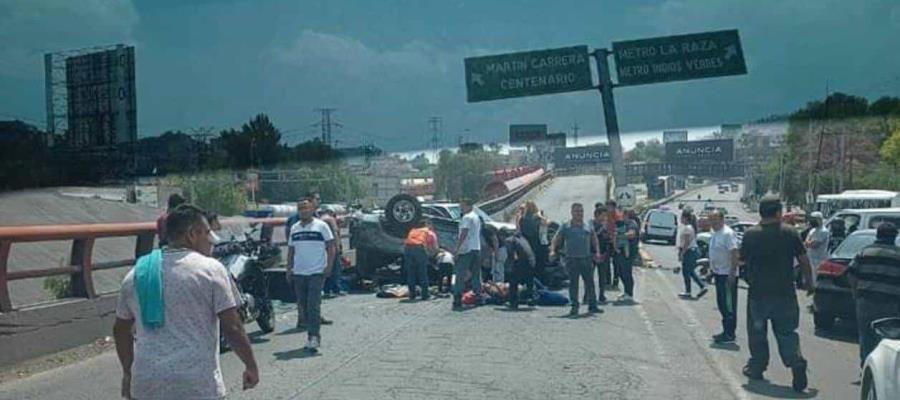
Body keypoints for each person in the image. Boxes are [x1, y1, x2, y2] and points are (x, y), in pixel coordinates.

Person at [114, 204, 259, 399]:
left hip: (147, 384)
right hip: (197, 385)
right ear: (192, 235)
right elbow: (232, 327)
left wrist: (127, 374)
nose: (211, 242)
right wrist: (250, 365)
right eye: (207, 234)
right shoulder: (211, 270)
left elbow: (120, 330)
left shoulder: (136, 275)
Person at [739, 195, 812, 392]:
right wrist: (809, 283)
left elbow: (741, 262)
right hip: (785, 295)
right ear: (778, 212)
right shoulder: (790, 233)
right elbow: (804, 260)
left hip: (758, 295)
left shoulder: (750, 235)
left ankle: (757, 367)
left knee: (757, 333)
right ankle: (796, 363)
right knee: (787, 333)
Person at [286, 197, 336, 351]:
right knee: (304, 305)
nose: (304, 211)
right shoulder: (295, 228)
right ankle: (310, 333)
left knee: (313, 305)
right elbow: (291, 250)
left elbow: (331, 247)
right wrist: (289, 269)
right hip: (299, 272)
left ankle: (314, 337)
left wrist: (329, 267)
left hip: (316, 272)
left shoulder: (321, 226)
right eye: (301, 208)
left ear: (312, 209)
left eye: (306, 207)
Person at [847, 222, 900, 367]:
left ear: (878, 235)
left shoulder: (865, 252)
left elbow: (851, 273)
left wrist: (855, 292)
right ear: (894, 237)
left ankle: (867, 367)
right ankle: (884, 368)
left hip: (866, 302)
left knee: (866, 336)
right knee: (888, 338)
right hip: (891, 304)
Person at [551, 202, 603, 316]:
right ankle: (574, 306)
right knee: (573, 284)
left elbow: (594, 238)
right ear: (572, 212)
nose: (579, 213)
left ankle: (592, 305)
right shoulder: (566, 226)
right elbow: (557, 239)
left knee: (589, 283)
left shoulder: (587, 225)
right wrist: (553, 250)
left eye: (581, 211)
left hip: (586, 258)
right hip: (572, 259)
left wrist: (597, 252)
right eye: (577, 211)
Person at [707, 210, 740, 343]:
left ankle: (730, 334)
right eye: (711, 220)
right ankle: (725, 331)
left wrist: (732, 272)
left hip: (727, 275)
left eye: (715, 219)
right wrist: (711, 270)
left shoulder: (728, 234)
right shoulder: (715, 234)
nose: (713, 222)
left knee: (728, 305)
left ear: (722, 220)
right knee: (721, 304)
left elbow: (734, 253)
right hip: (718, 273)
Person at [453, 198, 483, 310]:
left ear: (468, 206)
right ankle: (478, 296)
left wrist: (457, 248)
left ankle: (457, 298)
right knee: (476, 274)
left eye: (463, 206)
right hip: (476, 247)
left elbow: (464, 233)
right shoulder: (476, 217)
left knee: (460, 274)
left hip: (466, 249)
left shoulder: (466, 217)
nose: (461, 208)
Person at [403, 219, 438, 300]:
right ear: (427, 225)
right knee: (422, 272)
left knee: (411, 272)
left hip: (407, 249)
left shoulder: (413, 231)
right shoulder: (429, 232)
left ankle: (412, 294)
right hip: (419, 249)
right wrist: (433, 256)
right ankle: (425, 295)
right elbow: (435, 248)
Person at [606, 200, 634, 301]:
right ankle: (626, 292)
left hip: (626, 249)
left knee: (626, 272)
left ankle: (629, 293)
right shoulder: (610, 217)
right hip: (617, 246)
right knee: (621, 270)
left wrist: (618, 236)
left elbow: (631, 234)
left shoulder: (630, 223)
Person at [677, 209, 708, 299]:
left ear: (685, 218)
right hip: (691, 251)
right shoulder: (690, 227)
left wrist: (682, 253)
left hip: (689, 251)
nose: (680, 219)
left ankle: (696, 288)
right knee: (688, 271)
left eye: (682, 217)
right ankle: (695, 288)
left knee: (687, 271)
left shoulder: (688, 228)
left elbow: (687, 242)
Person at [503, 229, 536, 309]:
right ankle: (531, 299)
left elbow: (512, 255)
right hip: (532, 262)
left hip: (522, 263)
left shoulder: (509, 240)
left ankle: (513, 302)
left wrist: (507, 267)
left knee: (513, 281)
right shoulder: (522, 239)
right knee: (529, 282)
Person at [520, 201, 547, 282]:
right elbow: (545, 223)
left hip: (527, 243)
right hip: (537, 242)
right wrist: (541, 216)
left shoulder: (522, 218)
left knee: (530, 263)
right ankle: (541, 280)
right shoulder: (536, 217)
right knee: (540, 263)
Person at [592, 207, 614, 304]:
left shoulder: (606, 226)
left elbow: (608, 240)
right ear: (597, 215)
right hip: (592, 255)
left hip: (604, 255)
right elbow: (592, 236)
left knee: (602, 277)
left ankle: (601, 295)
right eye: (603, 215)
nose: (605, 218)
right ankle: (587, 296)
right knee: (589, 277)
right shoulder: (590, 225)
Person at [804, 211, 831, 288]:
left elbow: (814, 245)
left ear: (819, 219)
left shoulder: (823, 231)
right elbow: (806, 241)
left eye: (814, 219)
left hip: (819, 259)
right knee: (812, 278)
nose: (812, 221)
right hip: (811, 258)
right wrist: (809, 242)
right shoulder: (812, 230)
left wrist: (809, 243)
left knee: (817, 279)